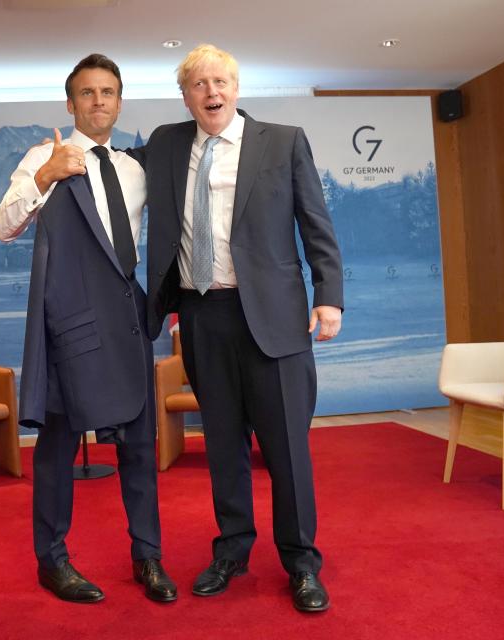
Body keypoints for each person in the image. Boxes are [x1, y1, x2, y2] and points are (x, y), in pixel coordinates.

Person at [137, 44, 344, 613]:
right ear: (186, 95)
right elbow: (112, 168)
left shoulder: (283, 141)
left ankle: (301, 562)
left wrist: (329, 297)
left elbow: (316, 224)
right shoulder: (165, 143)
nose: (212, 92)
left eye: (221, 81)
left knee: (286, 450)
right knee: (224, 445)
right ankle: (231, 550)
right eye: (199, 84)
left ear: (236, 86)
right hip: (203, 316)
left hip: (274, 319)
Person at [0, 54, 177, 605]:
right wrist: (47, 176)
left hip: (126, 325)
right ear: (71, 103)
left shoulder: (135, 168)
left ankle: (148, 558)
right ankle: (52, 561)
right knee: (55, 452)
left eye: (109, 92)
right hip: (69, 327)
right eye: (88, 93)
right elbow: (3, 226)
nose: (99, 101)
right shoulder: (43, 155)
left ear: (119, 102)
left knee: (140, 451)